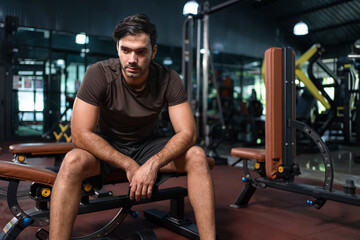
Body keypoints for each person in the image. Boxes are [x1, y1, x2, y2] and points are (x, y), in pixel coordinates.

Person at [49, 13, 216, 239]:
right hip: (107, 144)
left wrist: (153, 164)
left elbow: (188, 133)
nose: (132, 59)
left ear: (153, 51)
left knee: (197, 156)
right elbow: (80, 134)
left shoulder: (168, 78)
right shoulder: (98, 74)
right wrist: (128, 164)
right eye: (126, 50)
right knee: (72, 161)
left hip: (147, 145)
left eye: (141, 51)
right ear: (117, 47)